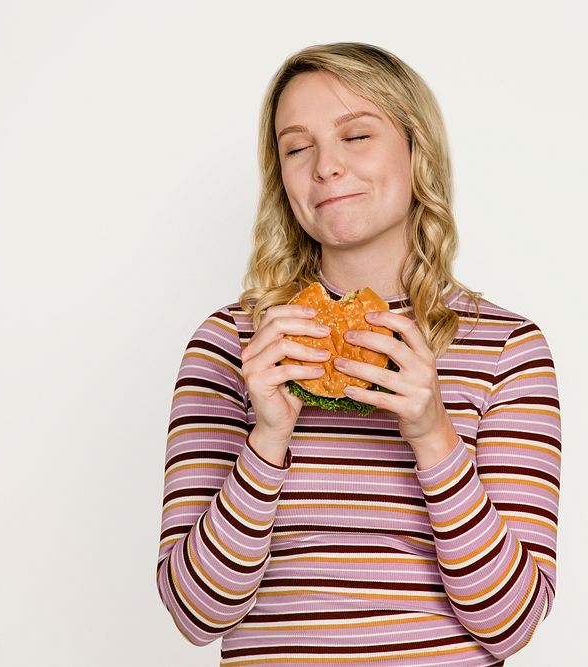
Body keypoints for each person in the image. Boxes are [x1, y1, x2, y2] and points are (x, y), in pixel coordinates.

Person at [156, 42, 562, 666]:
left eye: (356, 136)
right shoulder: (231, 345)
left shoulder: (506, 347)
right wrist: (266, 440)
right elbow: (195, 613)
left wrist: (432, 434)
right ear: (282, 178)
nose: (325, 167)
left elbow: (511, 624)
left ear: (415, 149)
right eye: (297, 147)